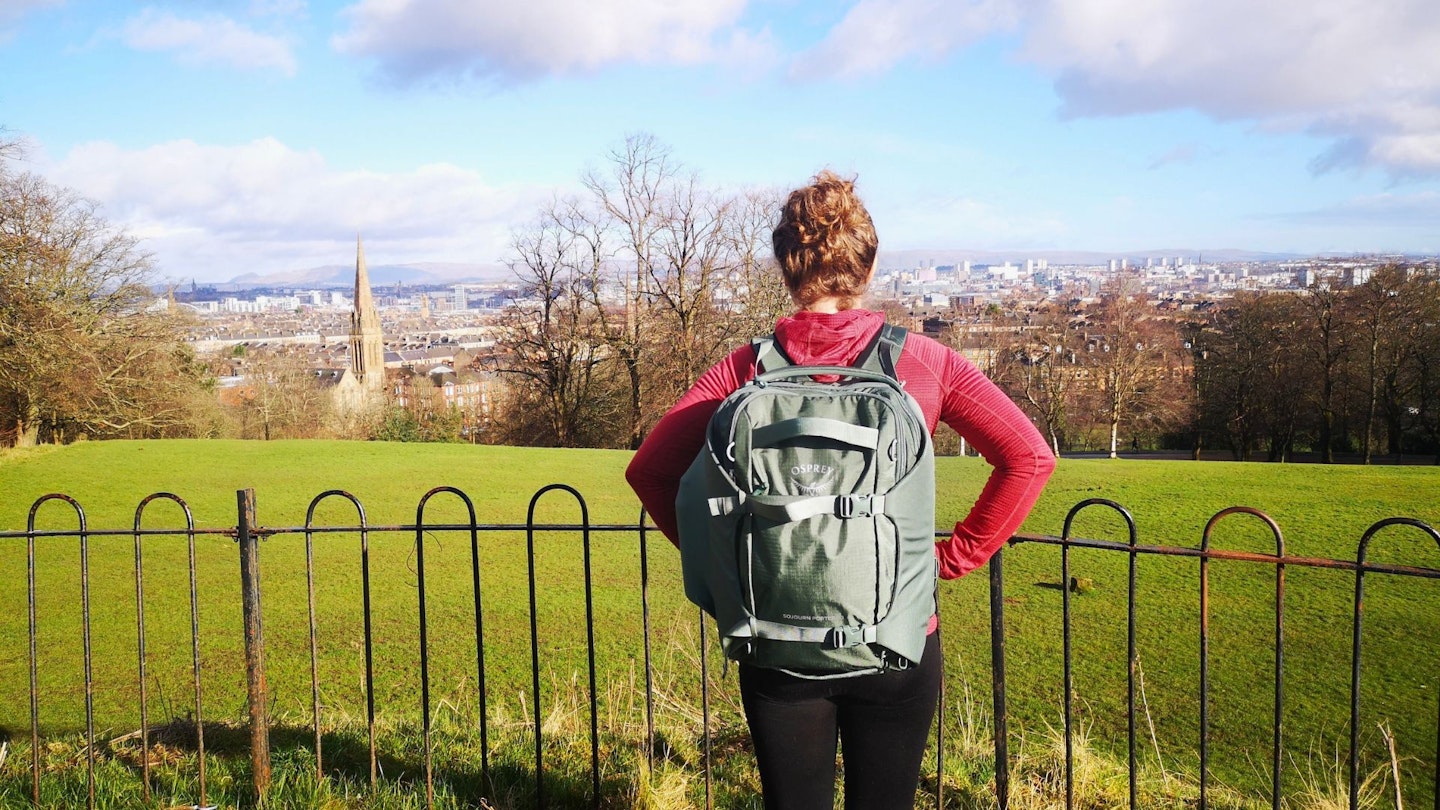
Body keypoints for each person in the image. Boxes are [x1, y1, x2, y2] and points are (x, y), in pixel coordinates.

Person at [626, 170, 1055, 809]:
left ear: (784, 264)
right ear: (869, 262)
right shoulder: (924, 363)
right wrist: (949, 560)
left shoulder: (746, 368)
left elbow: (651, 473)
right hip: (897, 640)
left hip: (776, 638)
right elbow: (1028, 458)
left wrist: (726, 568)